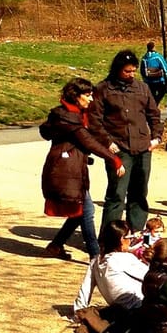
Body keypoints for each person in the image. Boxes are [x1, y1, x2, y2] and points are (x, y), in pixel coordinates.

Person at [40, 77, 126, 260]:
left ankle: (56, 245)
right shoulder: (69, 118)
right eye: (87, 95)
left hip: (73, 170)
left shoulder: (76, 115)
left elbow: (91, 135)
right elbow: (88, 141)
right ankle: (96, 256)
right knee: (86, 211)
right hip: (66, 172)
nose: (91, 99)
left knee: (79, 212)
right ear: (75, 96)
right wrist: (114, 160)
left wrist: (108, 144)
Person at [88, 49, 163, 236]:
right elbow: (94, 120)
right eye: (127, 71)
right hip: (119, 148)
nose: (131, 75)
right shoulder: (103, 89)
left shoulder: (142, 88)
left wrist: (156, 137)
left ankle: (135, 233)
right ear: (118, 69)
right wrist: (107, 142)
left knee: (139, 193)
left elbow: (154, 114)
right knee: (117, 194)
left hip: (143, 147)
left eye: (133, 71)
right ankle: (110, 236)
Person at [73, 220, 147, 313]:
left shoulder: (96, 261)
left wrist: (79, 310)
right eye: (129, 237)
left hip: (119, 311)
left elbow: (86, 289)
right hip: (140, 307)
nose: (131, 241)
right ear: (121, 239)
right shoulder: (124, 258)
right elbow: (150, 275)